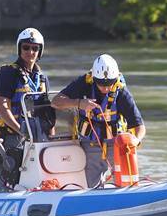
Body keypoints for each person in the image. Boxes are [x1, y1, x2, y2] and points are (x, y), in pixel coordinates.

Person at [52, 54, 146, 188]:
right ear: (95, 79)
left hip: (116, 146)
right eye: (101, 84)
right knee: (92, 186)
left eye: (109, 84)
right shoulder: (83, 84)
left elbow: (139, 126)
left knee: (126, 182)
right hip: (90, 145)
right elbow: (55, 102)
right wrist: (78, 103)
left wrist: (135, 142)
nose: (106, 88)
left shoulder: (122, 93)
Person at [0, 27, 52, 187]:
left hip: (37, 137)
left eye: (35, 48)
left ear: (40, 51)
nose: (30, 52)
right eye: (26, 47)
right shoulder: (8, 73)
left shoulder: (42, 79)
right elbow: (1, 106)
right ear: (19, 48)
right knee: (10, 178)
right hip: (13, 136)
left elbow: (47, 113)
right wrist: (21, 130)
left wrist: (51, 139)